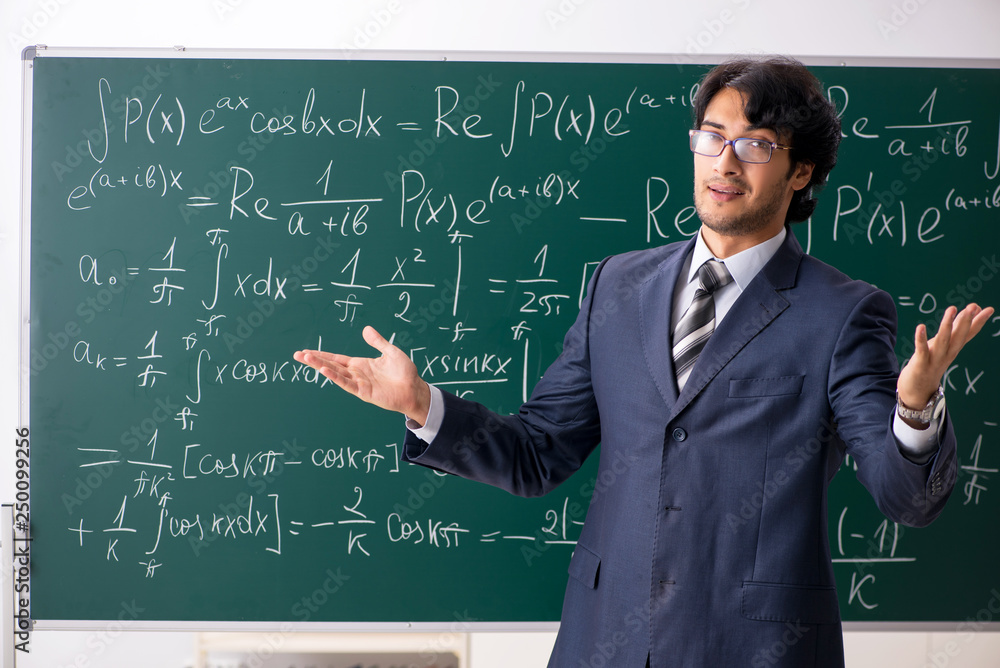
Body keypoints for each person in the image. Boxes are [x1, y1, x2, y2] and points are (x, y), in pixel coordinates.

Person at [294, 56, 993, 667]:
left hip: (755, 649)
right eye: (712, 137)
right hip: (605, 642)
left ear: (800, 170)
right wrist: (423, 405)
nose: (724, 162)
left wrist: (914, 408)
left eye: (753, 145)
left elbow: (908, 499)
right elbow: (539, 455)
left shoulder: (843, 312)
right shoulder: (617, 286)